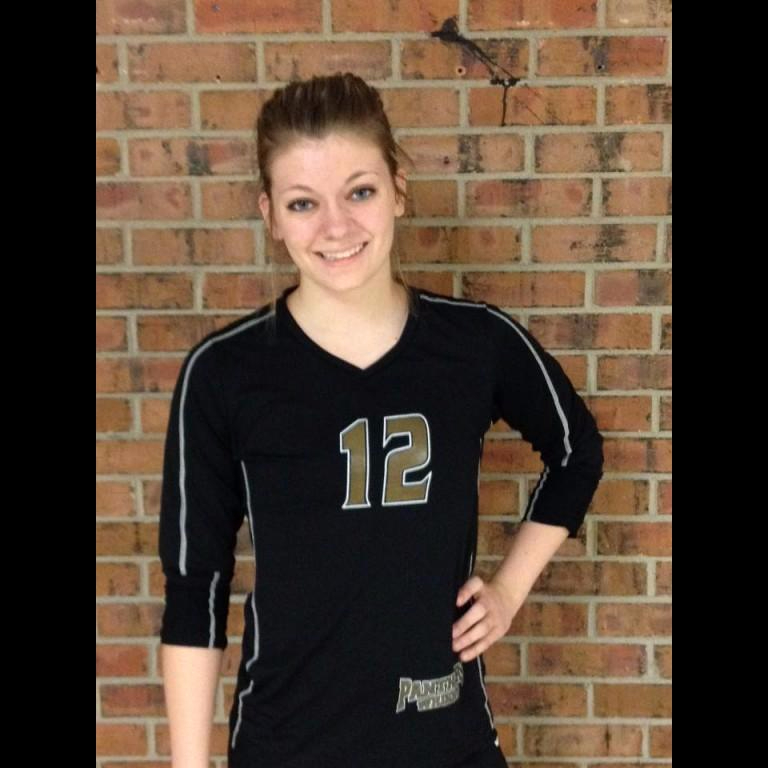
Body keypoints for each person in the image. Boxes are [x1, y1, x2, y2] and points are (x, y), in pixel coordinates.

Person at [158, 72, 604, 768]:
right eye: (303, 203)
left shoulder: (474, 344)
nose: (336, 227)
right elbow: (197, 589)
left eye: (359, 192)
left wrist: (509, 590)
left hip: (444, 739)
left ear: (398, 188)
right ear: (271, 215)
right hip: (286, 746)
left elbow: (577, 450)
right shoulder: (224, 373)